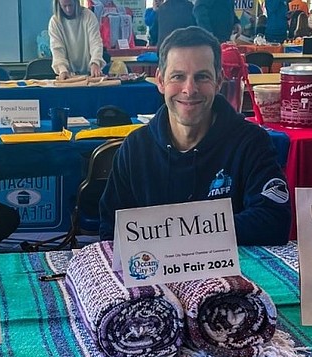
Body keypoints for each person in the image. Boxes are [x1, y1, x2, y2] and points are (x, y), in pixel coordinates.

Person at [99, 26, 290, 246]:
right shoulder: (135, 149)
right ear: (160, 81)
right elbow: (111, 232)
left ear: (219, 81)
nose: (190, 89)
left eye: (202, 77)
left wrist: (179, 234)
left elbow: (274, 221)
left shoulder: (252, 143)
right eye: (178, 76)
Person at [48, 0, 105, 79]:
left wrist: (95, 62)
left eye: (70, 5)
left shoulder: (88, 16)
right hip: (68, 74)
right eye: (64, 6)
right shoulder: (55, 22)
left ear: (76, 2)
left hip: (90, 73)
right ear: (58, 4)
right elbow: (57, 49)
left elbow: (95, 42)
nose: (68, 9)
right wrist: (62, 69)